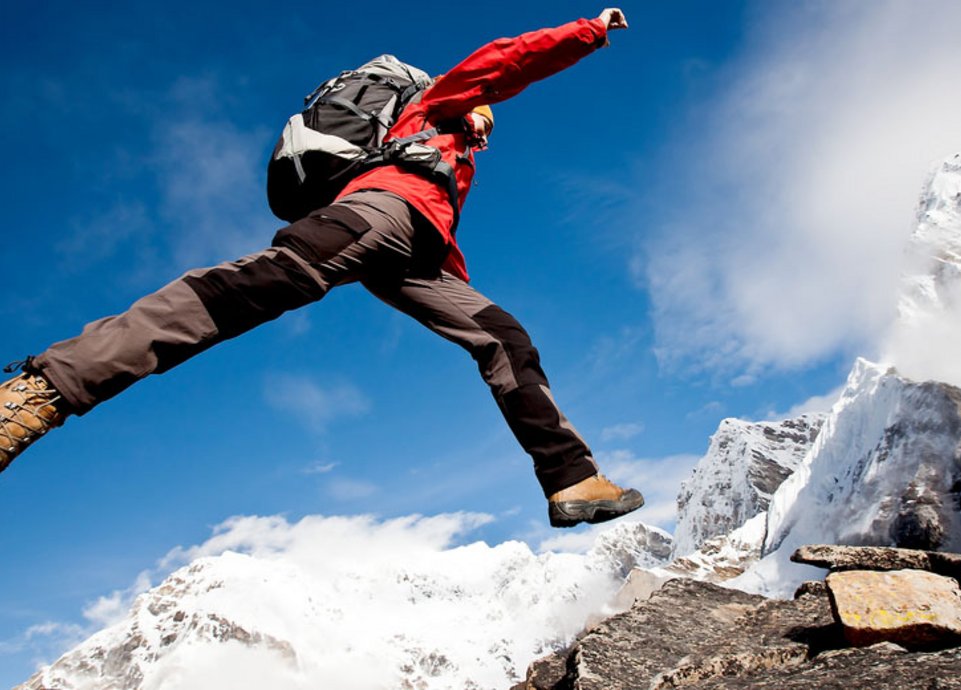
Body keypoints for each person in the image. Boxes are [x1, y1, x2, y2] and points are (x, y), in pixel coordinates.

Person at [0, 8, 643, 528]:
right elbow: (503, 62)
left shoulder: (451, 154)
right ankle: (47, 388)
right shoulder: (438, 107)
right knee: (254, 286)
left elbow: (431, 219)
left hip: (413, 253)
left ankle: (573, 480)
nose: (485, 126)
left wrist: (452, 276)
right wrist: (587, 32)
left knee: (502, 336)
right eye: (484, 116)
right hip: (374, 216)